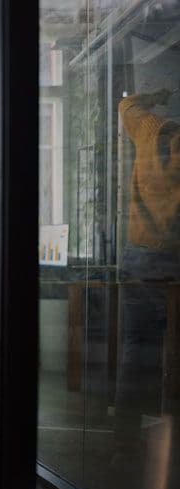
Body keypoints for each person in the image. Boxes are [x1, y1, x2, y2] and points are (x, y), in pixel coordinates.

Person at [115, 90, 180, 435]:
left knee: (136, 348)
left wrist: (154, 96)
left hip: (139, 255)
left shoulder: (151, 130)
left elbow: (126, 104)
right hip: (172, 261)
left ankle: (126, 435)